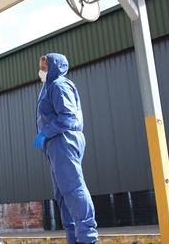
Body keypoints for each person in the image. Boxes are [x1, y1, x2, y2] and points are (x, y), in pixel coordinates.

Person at [33, 53, 98, 244]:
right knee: (62, 194)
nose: (41, 69)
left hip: (63, 139)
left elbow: (68, 117)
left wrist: (45, 132)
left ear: (53, 66)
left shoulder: (59, 85)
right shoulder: (49, 86)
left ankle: (87, 238)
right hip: (55, 142)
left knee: (73, 188)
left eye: (44, 66)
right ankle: (74, 238)